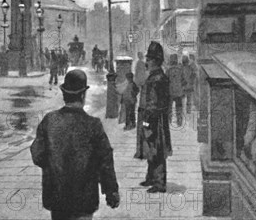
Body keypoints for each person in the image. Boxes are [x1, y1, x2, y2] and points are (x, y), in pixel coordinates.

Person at [31, 69, 120, 219]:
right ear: (83, 95)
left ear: (64, 94)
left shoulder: (49, 121)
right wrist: (111, 191)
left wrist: (53, 166)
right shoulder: (93, 125)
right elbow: (105, 160)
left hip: (57, 198)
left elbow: (37, 154)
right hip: (84, 200)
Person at [136, 41, 172, 193]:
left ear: (156, 61)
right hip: (151, 117)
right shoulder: (155, 76)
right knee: (150, 148)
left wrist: (146, 121)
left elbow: (155, 103)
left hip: (154, 119)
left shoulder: (158, 79)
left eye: (149, 59)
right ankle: (151, 177)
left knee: (156, 148)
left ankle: (159, 183)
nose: (147, 62)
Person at [166, 54, 184, 126]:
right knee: (179, 108)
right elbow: (184, 80)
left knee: (169, 108)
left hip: (170, 92)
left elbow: (165, 80)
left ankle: (169, 121)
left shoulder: (168, 70)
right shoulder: (180, 70)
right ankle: (179, 122)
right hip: (179, 92)